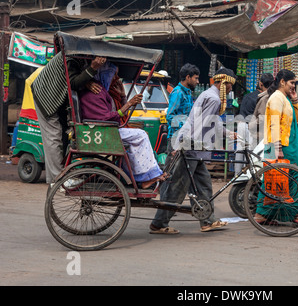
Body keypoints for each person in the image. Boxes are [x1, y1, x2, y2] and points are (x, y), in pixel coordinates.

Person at [149, 68, 237, 234]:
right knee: (178, 187)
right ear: (224, 83)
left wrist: (229, 133)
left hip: (193, 146)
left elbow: (211, 122)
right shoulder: (213, 99)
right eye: (230, 85)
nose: (231, 89)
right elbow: (202, 125)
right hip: (192, 147)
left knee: (203, 184)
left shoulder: (208, 95)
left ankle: (207, 220)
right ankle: (158, 224)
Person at [78, 62, 166, 190]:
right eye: (113, 75)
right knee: (141, 136)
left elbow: (117, 113)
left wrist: (124, 97)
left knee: (138, 136)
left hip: (109, 127)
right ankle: (146, 177)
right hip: (103, 129)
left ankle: (139, 175)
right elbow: (106, 117)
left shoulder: (103, 90)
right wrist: (129, 103)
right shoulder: (95, 92)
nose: (116, 78)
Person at [254, 69, 298, 228]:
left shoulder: (284, 97)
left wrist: (295, 101)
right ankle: (296, 214)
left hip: (286, 143)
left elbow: (295, 120)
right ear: (282, 81)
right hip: (281, 144)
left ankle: (263, 214)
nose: (293, 87)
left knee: (275, 180)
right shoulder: (277, 97)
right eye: (292, 83)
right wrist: (278, 147)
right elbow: (274, 123)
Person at [31, 52, 106, 184]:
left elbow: (74, 80)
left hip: (58, 100)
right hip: (46, 98)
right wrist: (92, 68)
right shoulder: (72, 58)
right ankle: (56, 179)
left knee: (64, 136)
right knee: (53, 137)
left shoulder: (78, 57)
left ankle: (63, 172)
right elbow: (73, 83)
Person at [248, 73, 274, 141]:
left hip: (261, 136)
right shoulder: (273, 96)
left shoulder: (265, 98)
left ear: (260, 84)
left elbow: (262, 118)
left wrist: (251, 125)